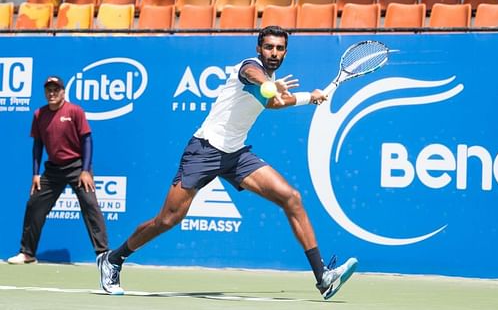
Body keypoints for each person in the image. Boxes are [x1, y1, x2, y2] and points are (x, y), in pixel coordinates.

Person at [97, 26, 357, 300]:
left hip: (235, 155)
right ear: (258, 48)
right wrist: (269, 85)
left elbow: (271, 104)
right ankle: (114, 259)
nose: (274, 53)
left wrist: (308, 97)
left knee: (291, 198)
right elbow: (254, 78)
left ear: (285, 52)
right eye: (269, 47)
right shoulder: (250, 67)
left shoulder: (272, 77)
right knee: (168, 219)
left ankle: (323, 277)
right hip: (204, 150)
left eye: (280, 48)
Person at [7, 76, 109, 264]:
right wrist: (35, 174)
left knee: (90, 206)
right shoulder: (39, 114)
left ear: (63, 92)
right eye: (49, 90)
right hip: (53, 169)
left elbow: (87, 140)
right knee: (34, 205)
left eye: (56, 90)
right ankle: (27, 253)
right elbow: (37, 145)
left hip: (78, 167)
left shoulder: (75, 111)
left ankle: (104, 255)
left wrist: (85, 170)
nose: (52, 93)